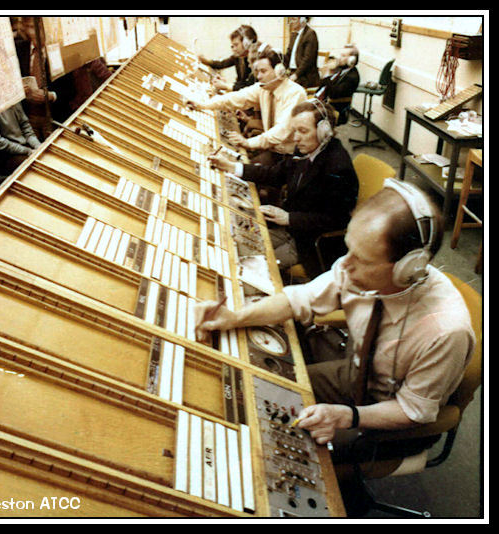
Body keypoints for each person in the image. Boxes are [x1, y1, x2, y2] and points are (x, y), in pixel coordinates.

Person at [195, 180, 475, 465]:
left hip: (391, 416)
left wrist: (346, 416)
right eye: (349, 248)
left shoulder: (445, 332)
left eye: (363, 259)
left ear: (408, 268)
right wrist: (235, 317)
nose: (345, 265)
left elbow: (413, 411)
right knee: (265, 388)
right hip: (354, 374)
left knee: (280, 447)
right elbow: (300, 298)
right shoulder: (354, 266)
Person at [208, 100, 358, 278]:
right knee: (234, 245)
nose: (296, 138)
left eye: (303, 131)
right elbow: (276, 174)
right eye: (295, 130)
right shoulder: (304, 149)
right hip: (288, 229)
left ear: (324, 132)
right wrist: (233, 167)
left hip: (308, 242)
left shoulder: (338, 168)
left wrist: (288, 218)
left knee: (250, 270)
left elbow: (337, 220)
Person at [188, 45, 307, 167]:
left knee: (242, 169)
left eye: (263, 71)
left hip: (289, 156)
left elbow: (281, 131)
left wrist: (248, 143)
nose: (259, 76)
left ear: (279, 72)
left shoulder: (295, 94)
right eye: (257, 72)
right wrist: (203, 105)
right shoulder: (264, 88)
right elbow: (235, 98)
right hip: (271, 149)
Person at [0, 102, 41, 176]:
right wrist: (27, 151)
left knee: (45, 156)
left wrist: (38, 146)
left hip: (22, 148)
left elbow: (25, 126)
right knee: (38, 166)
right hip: (3, 156)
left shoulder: (12, 100)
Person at [198, 25, 257, 93]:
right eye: (232, 46)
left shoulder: (258, 62)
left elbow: (249, 88)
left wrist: (226, 86)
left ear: (247, 44)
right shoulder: (239, 56)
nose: (234, 49)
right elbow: (222, 64)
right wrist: (205, 60)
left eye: (236, 45)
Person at [316, 44, 360, 125]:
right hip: (322, 102)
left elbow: (333, 94)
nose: (339, 58)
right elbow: (322, 85)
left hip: (333, 109)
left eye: (343, 56)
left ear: (352, 60)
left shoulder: (352, 77)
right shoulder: (342, 70)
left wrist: (328, 74)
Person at [284, 17, 320, 88]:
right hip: (293, 73)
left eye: (294, 19)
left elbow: (308, 60)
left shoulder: (310, 34)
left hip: (305, 76)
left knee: (286, 88)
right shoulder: (293, 35)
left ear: (302, 20)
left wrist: (296, 75)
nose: (291, 22)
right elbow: (288, 56)